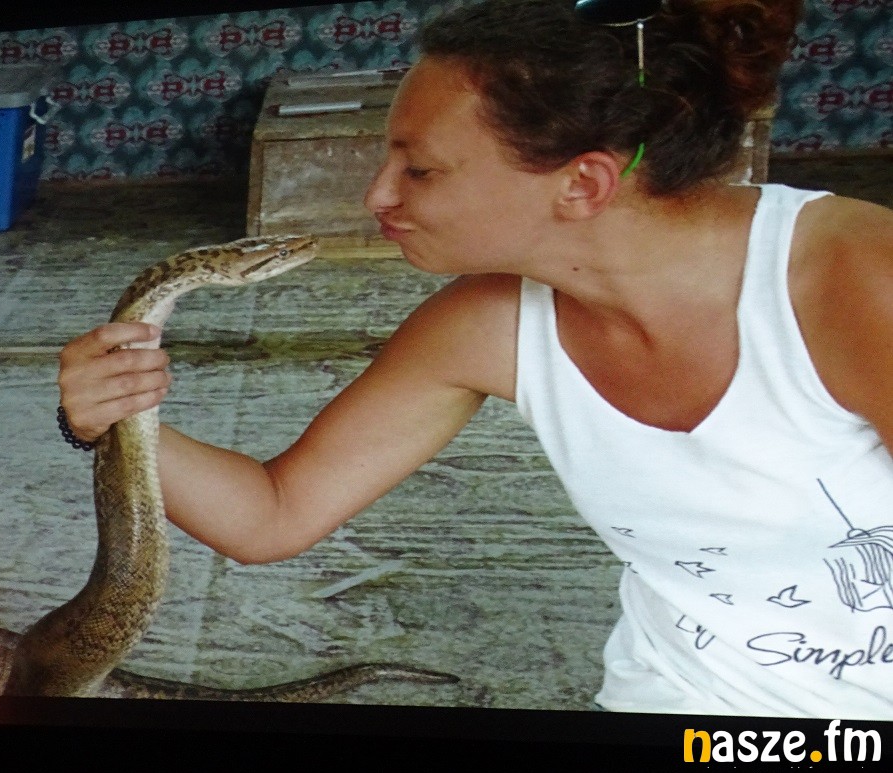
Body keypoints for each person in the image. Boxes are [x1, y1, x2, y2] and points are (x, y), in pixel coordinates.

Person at [56, 0, 893, 717]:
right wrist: (117, 417)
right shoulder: (485, 324)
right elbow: (271, 515)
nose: (378, 195)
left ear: (582, 185)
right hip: (674, 702)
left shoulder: (853, 279)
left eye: (419, 169)